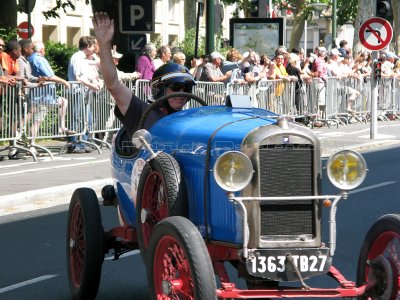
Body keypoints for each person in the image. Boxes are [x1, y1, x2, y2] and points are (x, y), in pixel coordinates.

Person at [92, 12, 196, 138]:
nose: (181, 92)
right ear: (160, 88)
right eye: (175, 86)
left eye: (186, 88)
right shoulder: (142, 111)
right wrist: (104, 44)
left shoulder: (191, 120)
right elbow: (113, 84)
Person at [67, 36, 100, 153]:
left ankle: (84, 142)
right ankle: (73, 144)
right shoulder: (77, 57)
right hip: (77, 91)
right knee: (76, 118)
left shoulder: (84, 58)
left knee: (87, 118)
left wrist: (94, 80)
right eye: (93, 46)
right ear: (88, 46)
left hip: (84, 92)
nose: (94, 48)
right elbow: (78, 77)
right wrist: (92, 86)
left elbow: (87, 75)